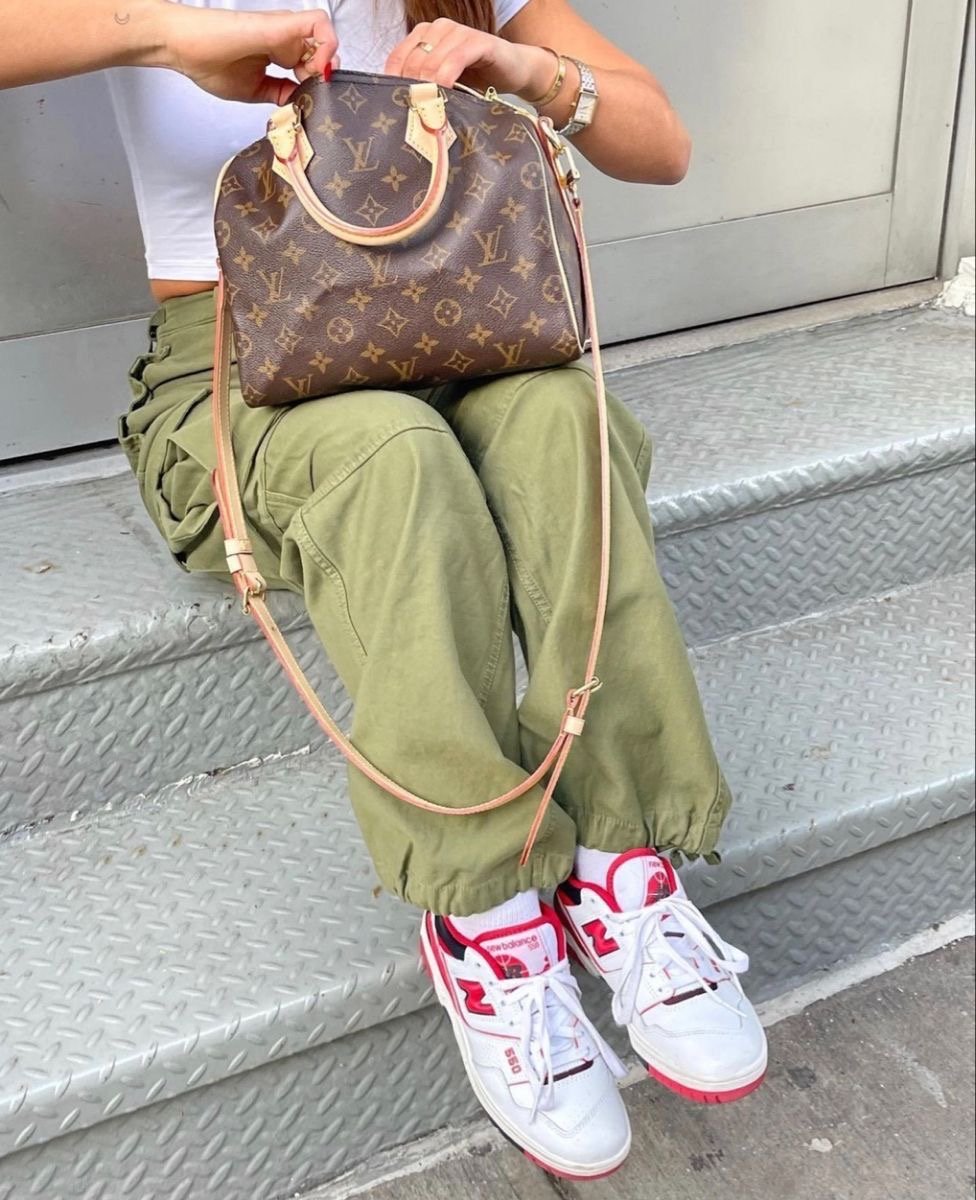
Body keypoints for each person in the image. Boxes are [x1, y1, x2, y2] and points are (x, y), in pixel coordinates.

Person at [1, 0, 767, 1180]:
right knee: (392, 457)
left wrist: (524, 69)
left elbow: (661, 145)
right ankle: (487, 915)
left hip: (459, 326)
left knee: (564, 419)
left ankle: (624, 864)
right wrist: (159, 38)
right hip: (240, 357)